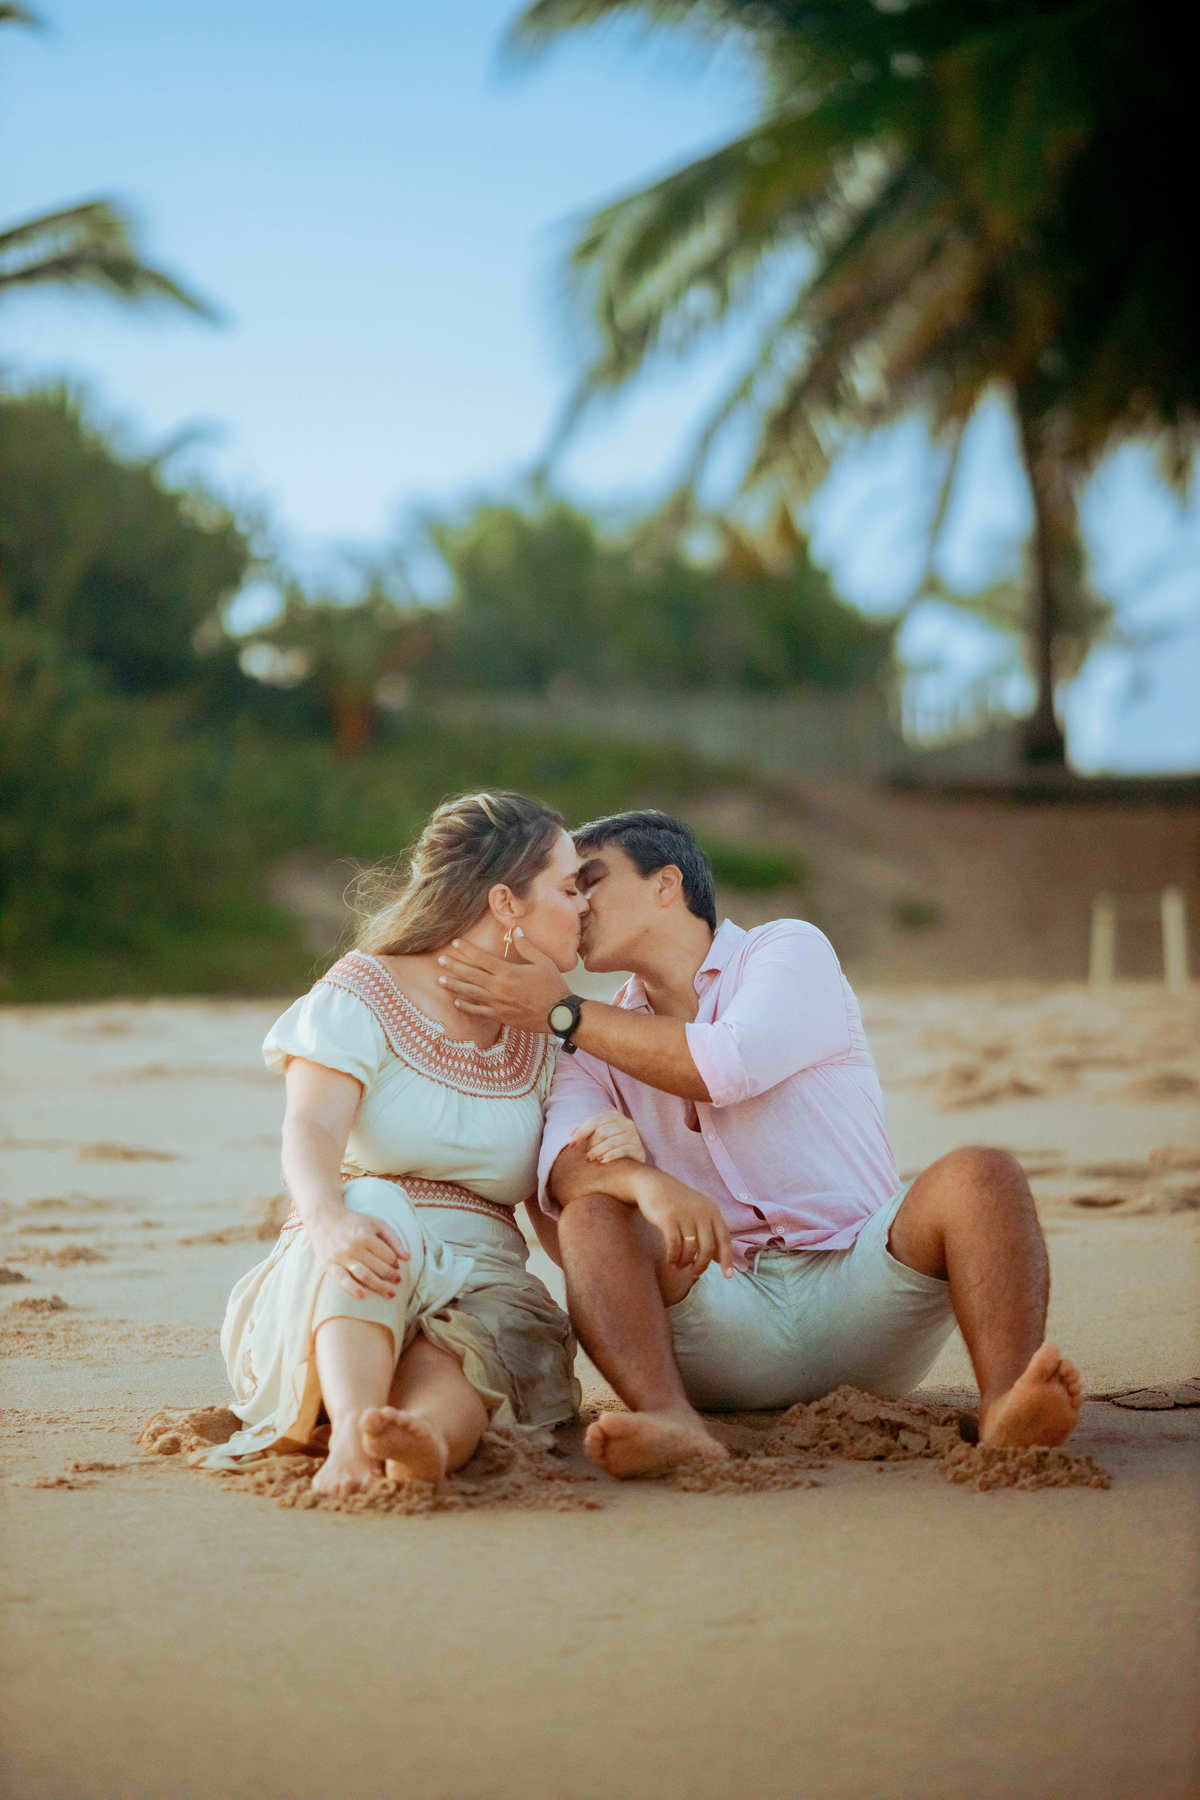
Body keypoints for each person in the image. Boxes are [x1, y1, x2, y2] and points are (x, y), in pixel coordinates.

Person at [436, 808, 1084, 1479]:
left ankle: (1009, 1402)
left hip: (862, 1288)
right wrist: (645, 1183)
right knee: (593, 1212)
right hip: (721, 1314)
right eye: (567, 889)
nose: (575, 904)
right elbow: (564, 1172)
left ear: (666, 885)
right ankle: (671, 1418)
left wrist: (561, 1010)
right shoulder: (585, 1039)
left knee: (981, 1173)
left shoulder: (785, 950)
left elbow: (728, 1065)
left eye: (590, 881)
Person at [200, 791, 628, 1497]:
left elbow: (557, 1210)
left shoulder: (546, 1032)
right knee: (375, 1211)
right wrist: (328, 1216)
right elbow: (310, 1126)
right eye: (566, 886)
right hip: (353, 1256)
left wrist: (616, 1150)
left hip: (483, 1267)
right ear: (505, 904)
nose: (582, 905)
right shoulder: (363, 990)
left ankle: (423, 1442)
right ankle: (355, 1435)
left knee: (459, 1354)